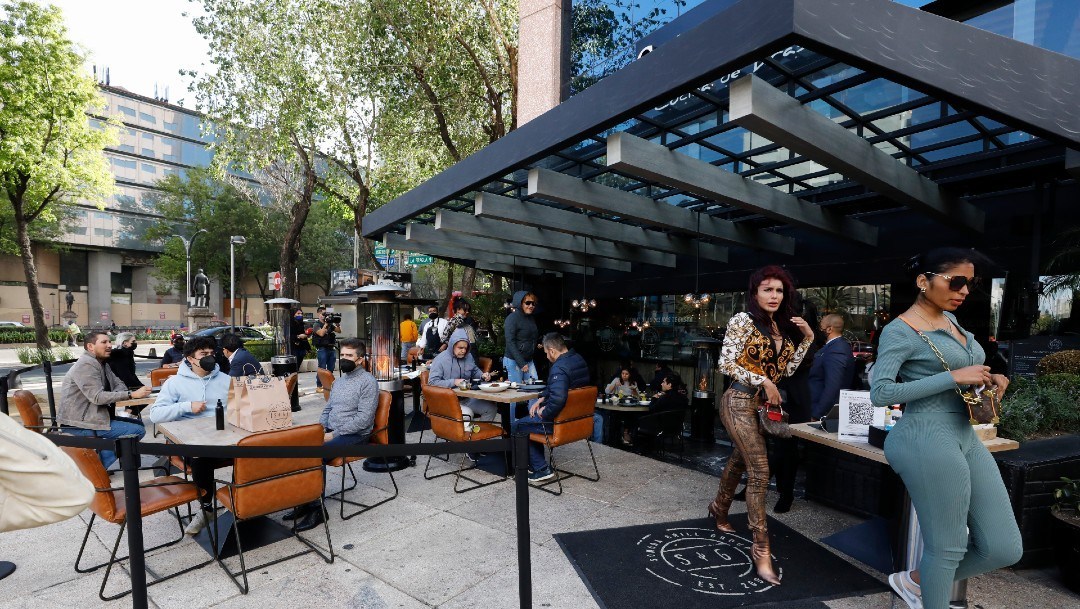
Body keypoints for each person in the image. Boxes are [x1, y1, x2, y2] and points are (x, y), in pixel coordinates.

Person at [871, 248, 1020, 609]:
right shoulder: (900, 331)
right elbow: (881, 392)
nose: (965, 290)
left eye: (970, 284)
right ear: (923, 281)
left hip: (965, 436)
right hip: (924, 437)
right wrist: (952, 376)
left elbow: (966, 370)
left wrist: (991, 377)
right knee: (947, 549)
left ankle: (914, 582)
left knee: (1004, 547)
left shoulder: (952, 322)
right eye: (956, 282)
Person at [709, 265, 814, 586]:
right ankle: (761, 548)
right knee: (760, 469)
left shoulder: (781, 327)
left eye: (779, 290)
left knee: (740, 460)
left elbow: (787, 370)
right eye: (767, 289)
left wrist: (808, 338)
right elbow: (725, 363)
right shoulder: (743, 320)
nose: (774, 295)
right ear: (755, 293)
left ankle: (719, 508)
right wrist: (763, 380)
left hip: (762, 407)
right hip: (738, 399)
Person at [284, 338, 380, 532]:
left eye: (349, 355)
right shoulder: (339, 382)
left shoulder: (368, 382)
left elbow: (364, 420)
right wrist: (319, 429)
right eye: (342, 354)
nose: (344, 358)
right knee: (296, 449)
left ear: (360, 359)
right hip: (332, 432)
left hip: (356, 435)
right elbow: (328, 408)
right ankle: (305, 500)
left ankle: (317, 510)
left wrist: (333, 435)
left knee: (314, 456)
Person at [148, 336, 232, 536]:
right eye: (203, 354)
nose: (209, 357)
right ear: (190, 359)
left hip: (226, 437)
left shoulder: (226, 380)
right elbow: (155, 415)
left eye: (211, 353)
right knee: (200, 457)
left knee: (253, 449)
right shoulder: (175, 383)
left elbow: (240, 407)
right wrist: (186, 406)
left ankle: (239, 500)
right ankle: (206, 508)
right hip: (194, 442)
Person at [57, 331, 152, 469]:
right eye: (104, 342)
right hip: (80, 424)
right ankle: (93, 468)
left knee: (138, 425)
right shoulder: (86, 365)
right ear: (90, 346)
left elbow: (119, 384)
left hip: (96, 417)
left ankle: (97, 463)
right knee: (137, 430)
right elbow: (97, 397)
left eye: (109, 342)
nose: (109, 345)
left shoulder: (102, 363)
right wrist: (131, 395)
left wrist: (116, 394)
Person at [512, 333, 590, 483]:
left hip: (560, 423)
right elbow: (560, 386)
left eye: (546, 353)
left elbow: (558, 399)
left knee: (518, 426)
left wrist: (545, 412)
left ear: (552, 351)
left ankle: (540, 468)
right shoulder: (578, 359)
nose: (547, 356)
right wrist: (542, 398)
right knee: (529, 423)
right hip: (576, 421)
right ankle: (535, 464)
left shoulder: (559, 367)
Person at [1, 412, 95, 534]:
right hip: (82, 424)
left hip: (83, 422)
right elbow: (75, 496)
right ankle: (100, 467)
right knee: (121, 431)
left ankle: (99, 468)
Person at [427, 328, 498, 429]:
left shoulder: (468, 357)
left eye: (465, 348)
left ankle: (478, 435)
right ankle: (464, 437)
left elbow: (474, 371)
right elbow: (432, 382)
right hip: (446, 401)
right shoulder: (440, 359)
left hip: (466, 398)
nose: (463, 351)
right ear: (452, 345)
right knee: (467, 413)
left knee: (490, 408)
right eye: (460, 347)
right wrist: (454, 382)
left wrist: (482, 375)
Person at [808, 314, 853, 420]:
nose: (818, 330)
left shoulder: (836, 349)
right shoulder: (833, 347)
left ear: (829, 329)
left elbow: (833, 386)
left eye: (820, 327)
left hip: (821, 413)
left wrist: (817, 414)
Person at [503, 291, 539, 385]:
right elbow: (510, 342)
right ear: (520, 303)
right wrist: (521, 363)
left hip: (528, 360)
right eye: (528, 303)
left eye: (533, 303)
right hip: (513, 360)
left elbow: (531, 337)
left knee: (534, 387)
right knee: (515, 390)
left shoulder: (531, 318)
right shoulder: (512, 318)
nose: (531, 306)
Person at [312, 305, 340, 388]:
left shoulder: (330, 324)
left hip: (331, 348)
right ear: (318, 314)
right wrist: (325, 324)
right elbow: (321, 333)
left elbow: (339, 331)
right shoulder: (316, 324)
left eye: (326, 314)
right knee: (322, 367)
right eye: (323, 314)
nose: (324, 316)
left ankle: (328, 384)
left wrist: (337, 324)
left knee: (331, 367)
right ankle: (319, 385)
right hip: (322, 348)